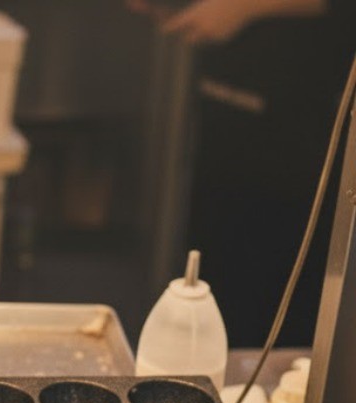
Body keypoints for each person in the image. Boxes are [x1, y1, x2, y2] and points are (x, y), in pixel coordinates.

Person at [131, 0, 356, 347]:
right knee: (215, 273)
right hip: (229, 105)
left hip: (298, 127)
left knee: (274, 302)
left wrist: (240, 7)